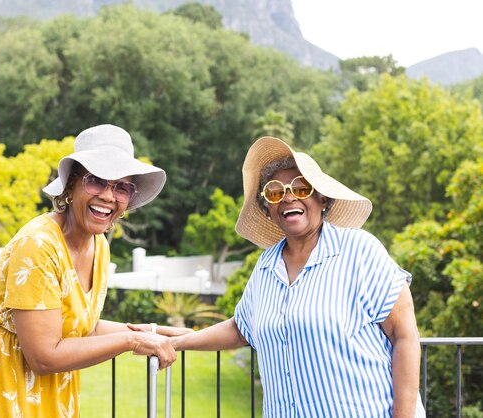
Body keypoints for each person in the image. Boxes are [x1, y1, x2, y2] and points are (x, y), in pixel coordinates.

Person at [0, 124, 187, 417]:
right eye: (96, 181)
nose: (108, 195)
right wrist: (133, 340)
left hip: (45, 396)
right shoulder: (38, 245)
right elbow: (44, 357)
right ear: (71, 187)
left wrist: (156, 331)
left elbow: (81, 328)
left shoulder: (98, 245)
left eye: (121, 187)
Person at [165, 136, 425, 417]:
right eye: (275, 192)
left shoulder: (360, 250)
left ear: (322, 198)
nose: (289, 197)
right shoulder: (266, 265)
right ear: (268, 210)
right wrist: (177, 341)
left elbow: (405, 336)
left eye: (301, 188)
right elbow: (242, 327)